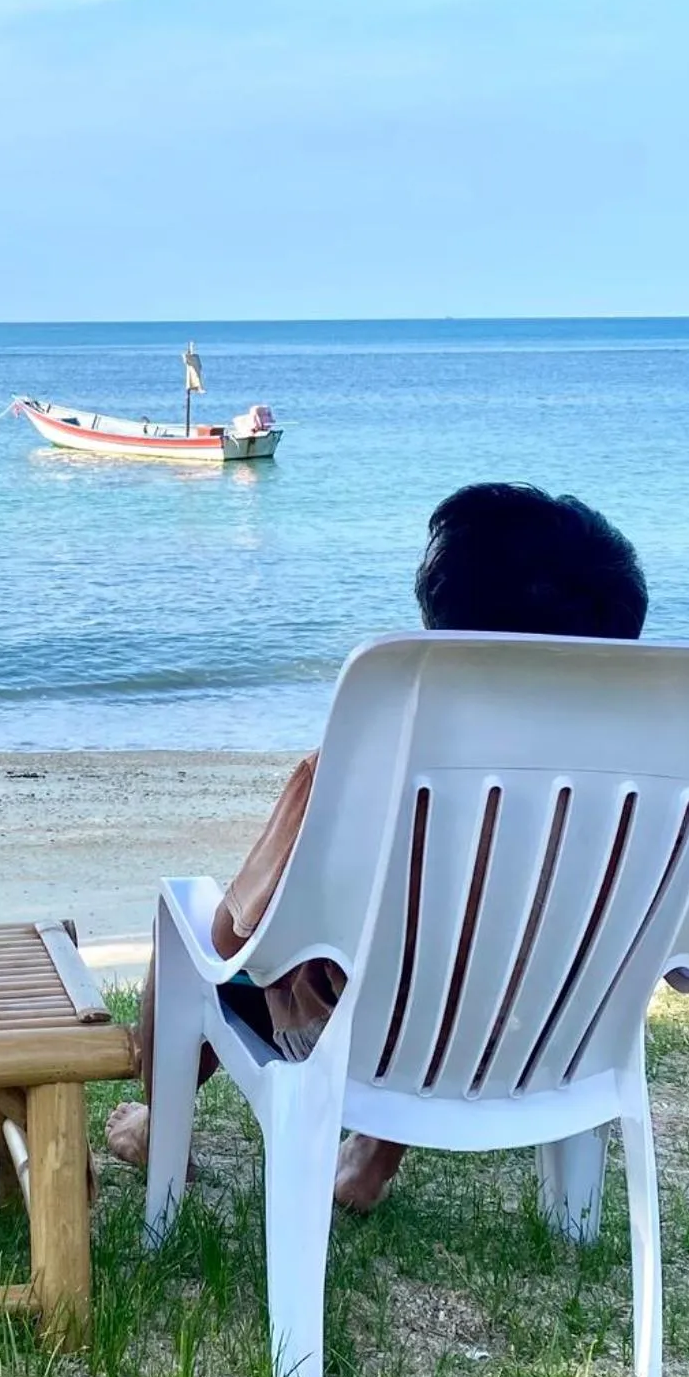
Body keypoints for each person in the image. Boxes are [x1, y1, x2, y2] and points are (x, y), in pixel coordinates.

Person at [105, 482, 652, 1211]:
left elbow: (237, 936)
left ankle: (158, 1130)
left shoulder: (363, 766)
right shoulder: (652, 782)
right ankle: (371, 1159)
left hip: (370, 1049)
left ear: (442, 635)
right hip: (556, 1035)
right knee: (454, 959)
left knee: (192, 934)